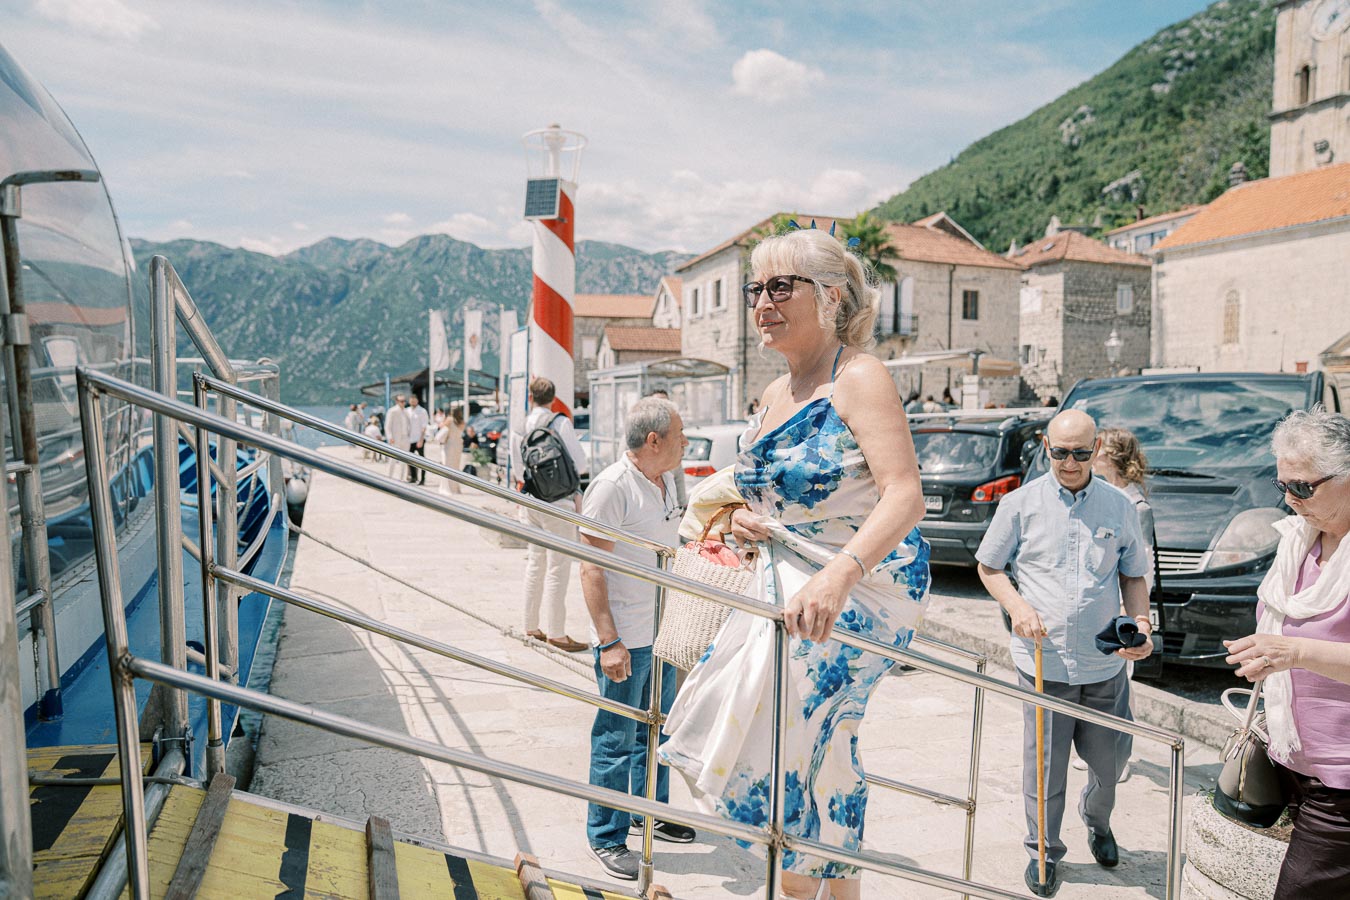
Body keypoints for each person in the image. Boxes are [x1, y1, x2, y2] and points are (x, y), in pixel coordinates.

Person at [658, 228, 931, 900]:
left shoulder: (858, 377)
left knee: (796, 732)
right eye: (758, 288)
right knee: (824, 752)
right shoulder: (775, 394)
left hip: (863, 584)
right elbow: (773, 496)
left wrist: (838, 573)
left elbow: (905, 493)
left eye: (782, 286)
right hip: (788, 576)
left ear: (831, 296)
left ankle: (798, 891)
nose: (763, 301)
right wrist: (755, 525)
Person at [976, 409, 1153, 896]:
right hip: (1043, 663)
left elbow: (1133, 574)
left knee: (1110, 765)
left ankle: (1097, 821)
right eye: (1059, 452)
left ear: (1096, 450)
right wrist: (1016, 605)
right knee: (1045, 769)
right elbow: (989, 568)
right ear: (1046, 448)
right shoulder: (1019, 504)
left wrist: (1141, 624)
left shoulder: (1119, 506)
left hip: (1104, 662)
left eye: (1079, 453)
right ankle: (1043, 850)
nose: (1069, 462)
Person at [1223, 407, 1350, 900]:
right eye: (1283, 487)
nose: (1291, 501)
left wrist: (1293, 651)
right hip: (1294, 763)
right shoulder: (1298, 542)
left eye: (1303, 487)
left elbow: (1296, 647)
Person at [579, 396, 692, 880]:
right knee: (616, 737)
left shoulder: (669, 478)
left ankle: (650, 811)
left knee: (659, 729)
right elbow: (590, 567)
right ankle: (606, 835)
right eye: (681, 436)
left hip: (663, 630)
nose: (686, 443)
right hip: (627, 637)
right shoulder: (610, 488)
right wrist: (609, 641)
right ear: (654, 441)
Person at [1074, 427, 1155, 781]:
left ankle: (1117, 756)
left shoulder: (1135, 505)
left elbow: (1141, 568)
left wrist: (1133, 616)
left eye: (1097, 450)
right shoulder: (1104, 497)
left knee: (1121, 684)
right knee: (1112, 682)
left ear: (1111, 457)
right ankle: (1106, 751)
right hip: (1105, 605)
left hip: (1123, 608)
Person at [513, 378, 589, 653]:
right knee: (558, 567)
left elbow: (517, 468)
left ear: (530, 397)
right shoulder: (560, 423)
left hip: (531, 501)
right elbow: (581, 465)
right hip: (558, 503)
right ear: (553, 398)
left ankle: (531, 626)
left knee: (536, 563)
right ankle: (557, 633)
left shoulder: (519, 426)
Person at [434, 407, 465, 496]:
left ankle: (447, 487)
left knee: (447, 465)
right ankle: (455, 487)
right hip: (458, 444)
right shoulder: (462, 422)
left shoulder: (450, 419)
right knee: (456, 466)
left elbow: (442, 427)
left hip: (450, 444)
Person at [383, 395, 410, 481]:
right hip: (395, 438)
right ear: (397, 401)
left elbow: (409, 425)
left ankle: (401, 479)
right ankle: (389, 478)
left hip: (405, 438)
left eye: (404, 401)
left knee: (404, 460)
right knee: (392, 459)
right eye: (401, 401)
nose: (403, 403)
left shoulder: (406, 411)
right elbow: (387, 426)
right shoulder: (392, 411)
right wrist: (390, 437)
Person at [406, 394, 430, 485]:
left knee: (422, 459)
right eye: (411, 400)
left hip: (419, 438)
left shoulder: (422, 411)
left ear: (417, 401)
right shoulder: (407, 411)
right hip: (409, 439)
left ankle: (423, 479)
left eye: (414, 400)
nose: (412, 402)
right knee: (409, 459)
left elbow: (424, 426)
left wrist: (421, 439)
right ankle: (413, 477)